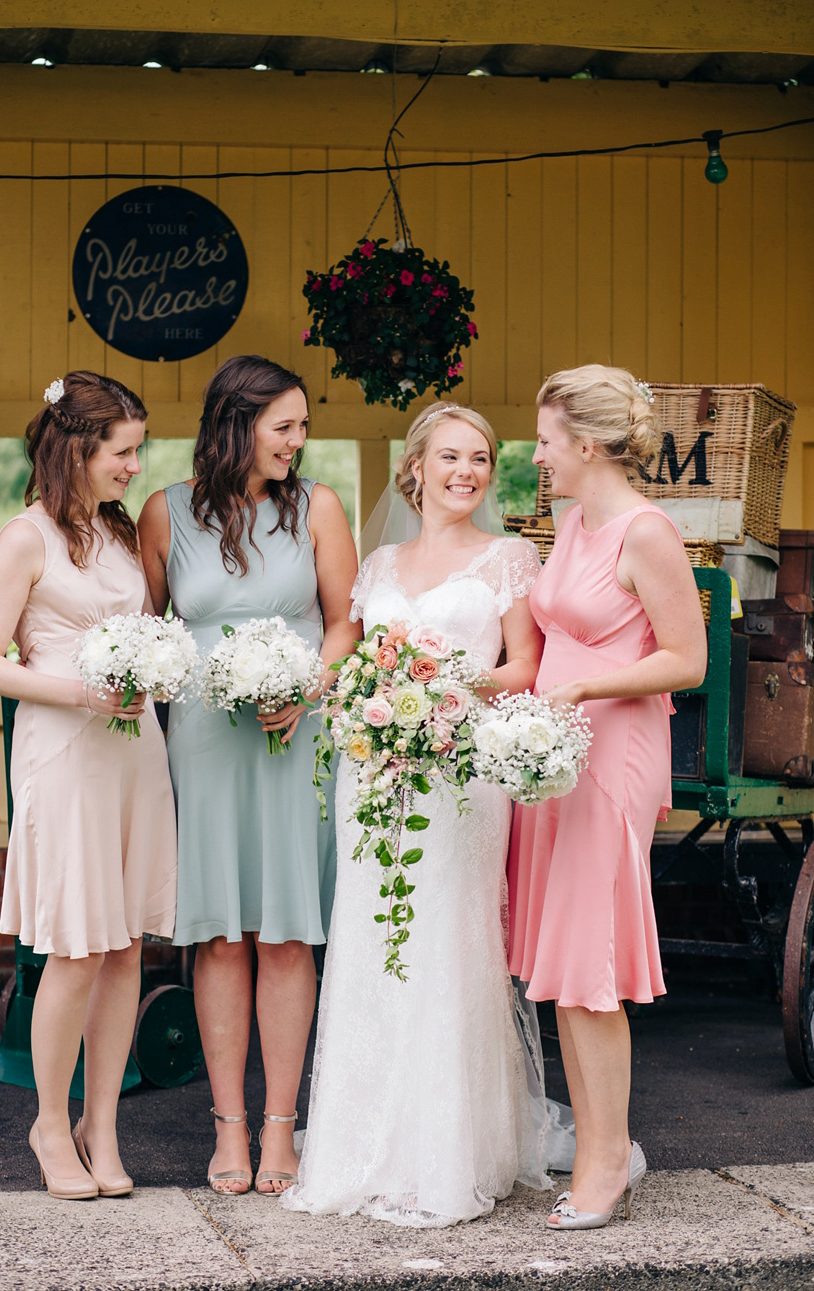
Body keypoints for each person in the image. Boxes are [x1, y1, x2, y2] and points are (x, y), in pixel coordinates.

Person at [283, 402, 566, 1229]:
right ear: (416, 467)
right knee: (372, 939)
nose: (466, 472)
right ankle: (364, 1145)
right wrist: (372, 701)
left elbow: (523, 669)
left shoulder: (509, 557)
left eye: (480, 459)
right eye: (449, 457)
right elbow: (360, 665)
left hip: (463, 773)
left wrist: (445, 692)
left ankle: (452, 1151)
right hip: (381, 776)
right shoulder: (376, 565)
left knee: (448, 943)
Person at [138, 354, 359, 1197]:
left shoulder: (318, 508)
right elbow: (151, 628)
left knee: (288, 931)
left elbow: (343, 625)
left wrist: (306, 687)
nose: (298, 443)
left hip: (297, 735)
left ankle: (281, 1130)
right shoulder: (165, 512)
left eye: (302, 427)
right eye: (285, 427)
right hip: (204, 739)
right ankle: (228, 1126)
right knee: (220, 931)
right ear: (236, 423)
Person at [0, 370, 177, 1201]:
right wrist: (84, 691)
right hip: (65, 748)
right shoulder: (27, 537)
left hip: (133, 753)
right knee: (76, 948)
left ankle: (104, 1124)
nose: (134, 465)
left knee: (125, 945)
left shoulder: (122, 535)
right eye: (123, 451)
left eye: (137, 450)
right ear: (78, 449)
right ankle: (50, 1124)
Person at [508, 365, 707, 1231]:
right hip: (552, 759)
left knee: (592, 970)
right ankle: (601, 1149)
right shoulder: (570, 522)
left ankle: (604, 1168)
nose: (538, 454)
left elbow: (687, 660)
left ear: (587, 445)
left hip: (610, 751)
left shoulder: (647, 531)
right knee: (562, 970)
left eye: (548, 440)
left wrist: (585, 694)